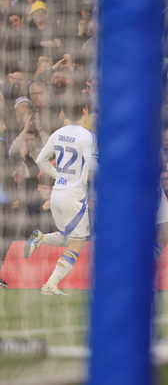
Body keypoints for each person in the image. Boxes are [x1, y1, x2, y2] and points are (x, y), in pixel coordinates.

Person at [23, 99, 98, 296]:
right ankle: (51, 284)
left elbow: (40, 160)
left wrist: (57, 175)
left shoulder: (57, 133)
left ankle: (41, 238)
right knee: (76, 244)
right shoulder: (88, 136)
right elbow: (91, 166)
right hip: (74, 197)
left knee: (67, 236)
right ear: (85, 110)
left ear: (64, 113)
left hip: (57, 193)